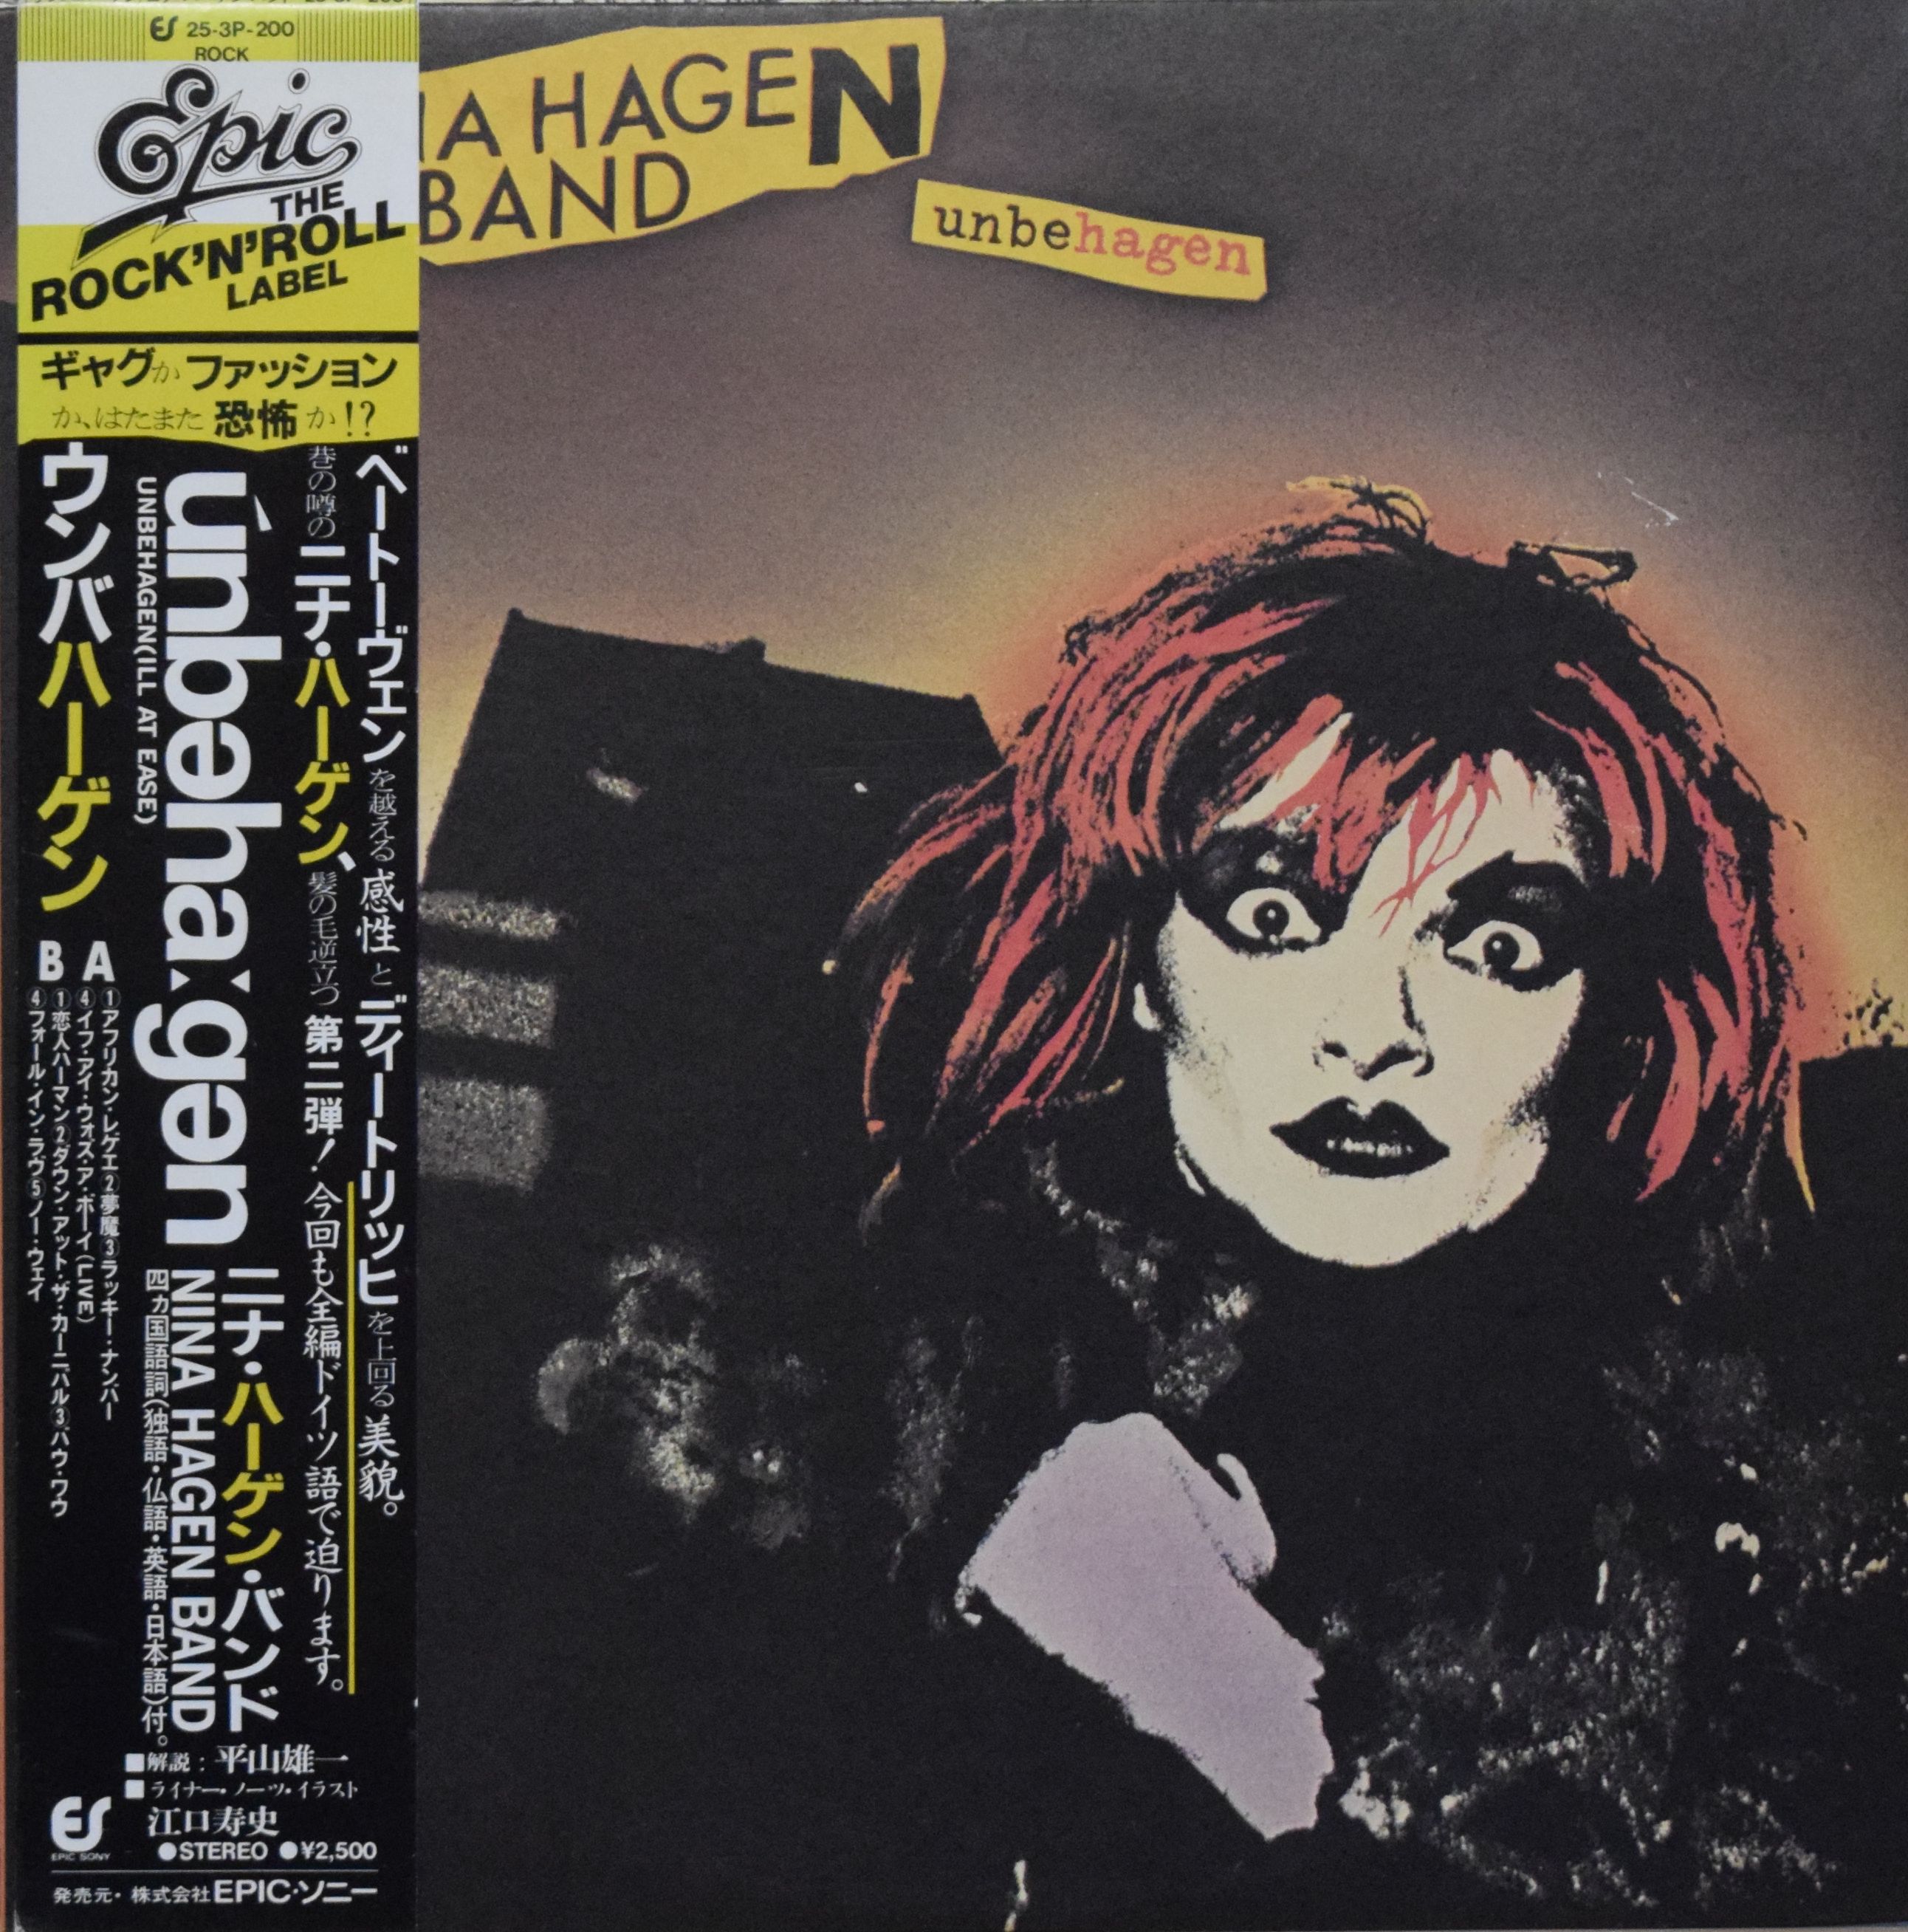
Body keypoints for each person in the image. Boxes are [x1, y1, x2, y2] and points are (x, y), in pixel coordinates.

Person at [541, 482, 1907, 1929]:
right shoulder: (833, 1431)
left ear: (1600, 1019)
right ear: (1141, 968)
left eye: (1496, 945)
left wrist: (1224, 1694)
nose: (1373, 1032)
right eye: (1274, 916)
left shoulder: (1770, 1521)